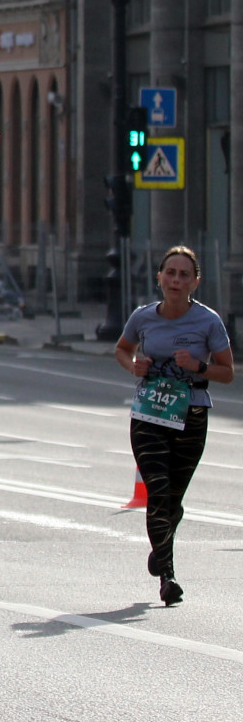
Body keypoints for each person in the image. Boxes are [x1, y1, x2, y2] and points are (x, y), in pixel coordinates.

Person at [115, 245, 234, 606]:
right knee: (158, 489)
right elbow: (122, 349)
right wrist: (133, 364)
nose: (176, 280)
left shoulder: (208, 322)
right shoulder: (143, 316)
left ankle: (159, 546)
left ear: (195, 282)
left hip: (190, 414)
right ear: (159, 278)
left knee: (173, 500)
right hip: (149, 413)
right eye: (170, 273)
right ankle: (167, 575)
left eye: (184, 275)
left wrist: (198, 366)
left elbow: (228, 373)